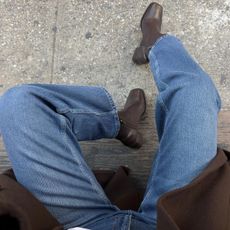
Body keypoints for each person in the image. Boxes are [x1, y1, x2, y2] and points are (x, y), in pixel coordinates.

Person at [0, 2, 222, 230]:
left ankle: (123, 115)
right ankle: (158, 42)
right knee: (195, 91)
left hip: (74, 222)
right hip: (171, 224)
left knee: (20, 102)